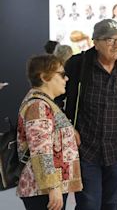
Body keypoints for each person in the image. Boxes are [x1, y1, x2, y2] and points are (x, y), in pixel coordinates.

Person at [55, 19, 117, 210]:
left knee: (111, 204)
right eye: (110, 40)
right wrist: (67, 127)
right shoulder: (78, 65)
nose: (116, 45)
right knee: (89, 204)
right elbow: (54, 98)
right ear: (95, 43)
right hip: (86, 150)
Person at [16, 54, 82, 210]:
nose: (66, 79)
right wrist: (53, 188)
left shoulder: (44, 103)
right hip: (43, 190)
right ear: (44, 77)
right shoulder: (39, 106)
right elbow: (41, 152)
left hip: (45, 188)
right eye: (62, 74)